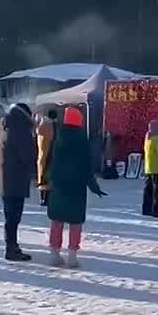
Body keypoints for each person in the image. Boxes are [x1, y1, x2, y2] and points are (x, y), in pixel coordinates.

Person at [45, 106, 106, 268]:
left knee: (57, 220)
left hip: (58, 185)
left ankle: (54, 253)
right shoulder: (82, 140)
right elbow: (87, 167)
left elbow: (50, 160)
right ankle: (72, 255)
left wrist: (47, 178)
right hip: (76, 187)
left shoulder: (58, 137)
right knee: (75, 221)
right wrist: (94, 186)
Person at [0, 103, 37, 261]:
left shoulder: (1, 127)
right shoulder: (20, 131)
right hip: (16, 179)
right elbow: (27, 156)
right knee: (13, 217)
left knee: (9, 215)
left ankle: (11, 246)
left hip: (3, 178)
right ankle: (11, 248)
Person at [36, 110, 56, 206]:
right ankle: (47, 198)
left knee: (42, 178)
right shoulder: (54, 126)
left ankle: (43, 198)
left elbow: (37, 132)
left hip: (42, 156)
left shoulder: (43, 126)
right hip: (51, 155)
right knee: (49, 178)